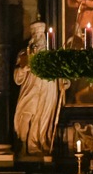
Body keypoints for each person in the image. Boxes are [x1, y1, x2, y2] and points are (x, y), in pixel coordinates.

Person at [14, 21, 67, 155]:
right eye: (36, 34)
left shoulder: (52, 55)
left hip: (49, 88)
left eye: (41, 34)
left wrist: (64, 81)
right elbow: (17, 76)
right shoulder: (25, 53)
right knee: (28, 114)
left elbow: (61, 73)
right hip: (32, 87)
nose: (39, 37)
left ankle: (41, 141)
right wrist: (23, 69)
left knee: (44, 116)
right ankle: (26, 144)